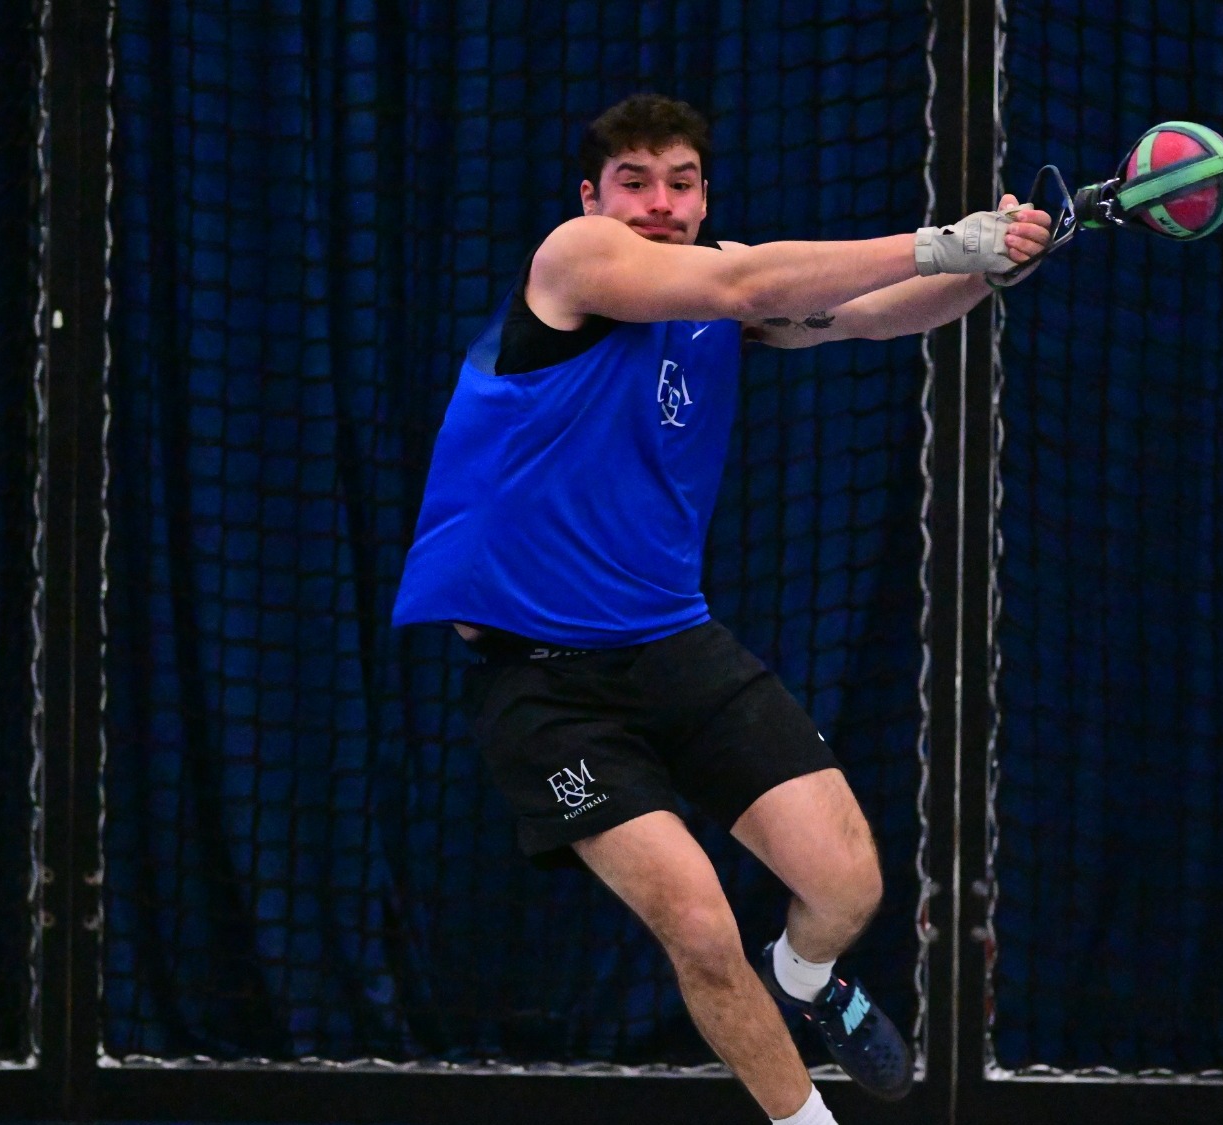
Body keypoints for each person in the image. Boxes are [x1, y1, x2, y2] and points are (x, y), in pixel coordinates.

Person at [392, 93, 1050, 1125]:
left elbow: (877, 314)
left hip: (674, 649)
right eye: (634, 182)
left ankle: (803, 974)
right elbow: (748, 277)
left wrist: (983, 272)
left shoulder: (716, 304)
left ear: (703, 195)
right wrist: (936, 242)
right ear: (591, 198)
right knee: (697, 927)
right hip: (544, 689)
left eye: (681, 182)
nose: (658, 204)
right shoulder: (573, 261)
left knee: (847, 888)